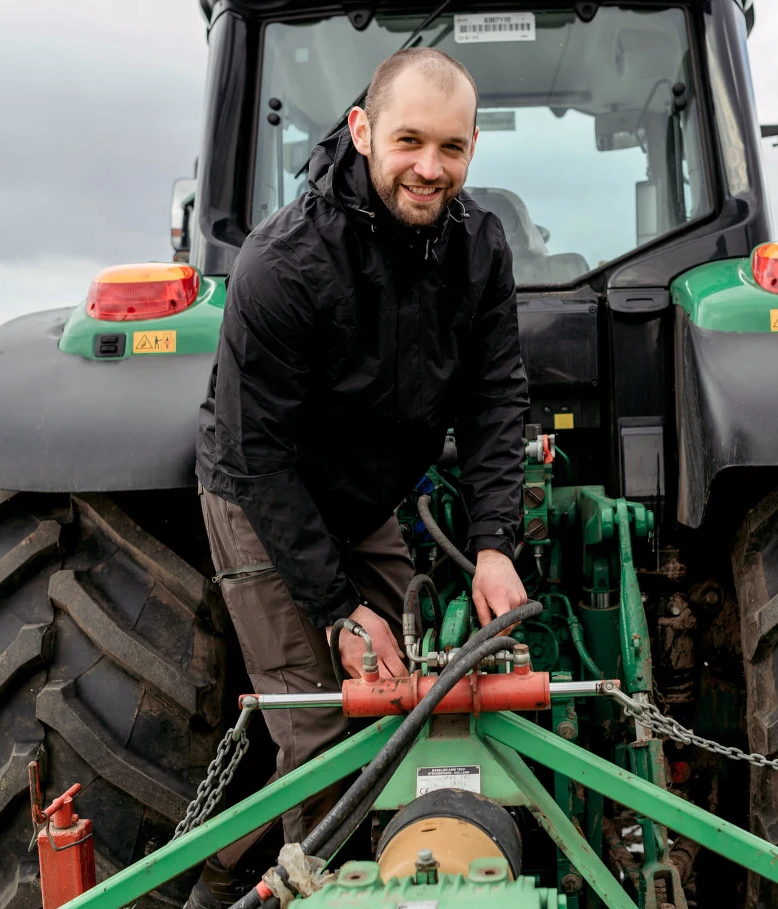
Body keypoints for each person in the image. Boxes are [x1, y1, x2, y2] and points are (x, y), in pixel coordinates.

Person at [190, 47, 530, 906]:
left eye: (451, 148)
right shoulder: (283, 266)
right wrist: (338, 610)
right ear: (362, 130)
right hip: (261, 493)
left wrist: (493, 544)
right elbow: (261, 457)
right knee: (318, 727)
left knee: (430, 676)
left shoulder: (479, 247)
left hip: (365, 490)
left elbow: (495, 401)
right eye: (409, 141)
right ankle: (281, 888)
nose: (430, 167)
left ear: (474, 147)